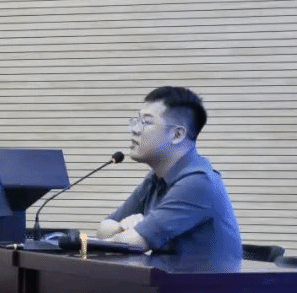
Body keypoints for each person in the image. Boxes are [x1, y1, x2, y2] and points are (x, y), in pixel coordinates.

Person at [97, 86, 242, 260]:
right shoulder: (155, 179)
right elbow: (102, 230)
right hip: (165, 277)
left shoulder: (198, 182)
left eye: (146, 122)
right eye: (136, 120)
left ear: (177, 135)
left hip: (202, 279)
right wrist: (123, 227)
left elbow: (132, 243)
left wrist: (134, 230)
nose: (135, 129)